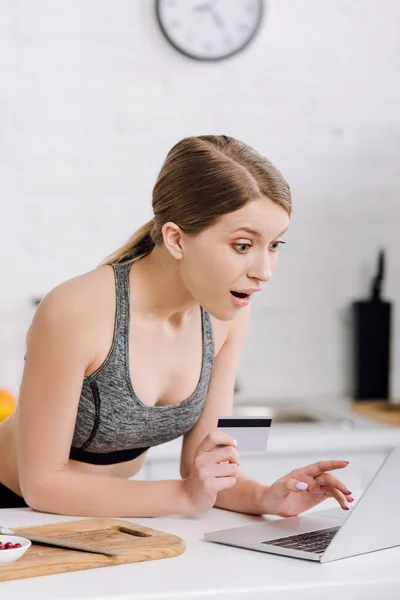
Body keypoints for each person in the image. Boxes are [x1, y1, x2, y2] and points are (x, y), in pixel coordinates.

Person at [0, 135, 353, 516]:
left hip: (87, 516)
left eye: (275, 245)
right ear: (176, 239)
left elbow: (207, 466)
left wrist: (266, 497)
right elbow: (43, 485)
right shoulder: (74, 311)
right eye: (242, 245)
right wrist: (184, 496)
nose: (264, 272)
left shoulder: (229, 313)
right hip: (13, 509)